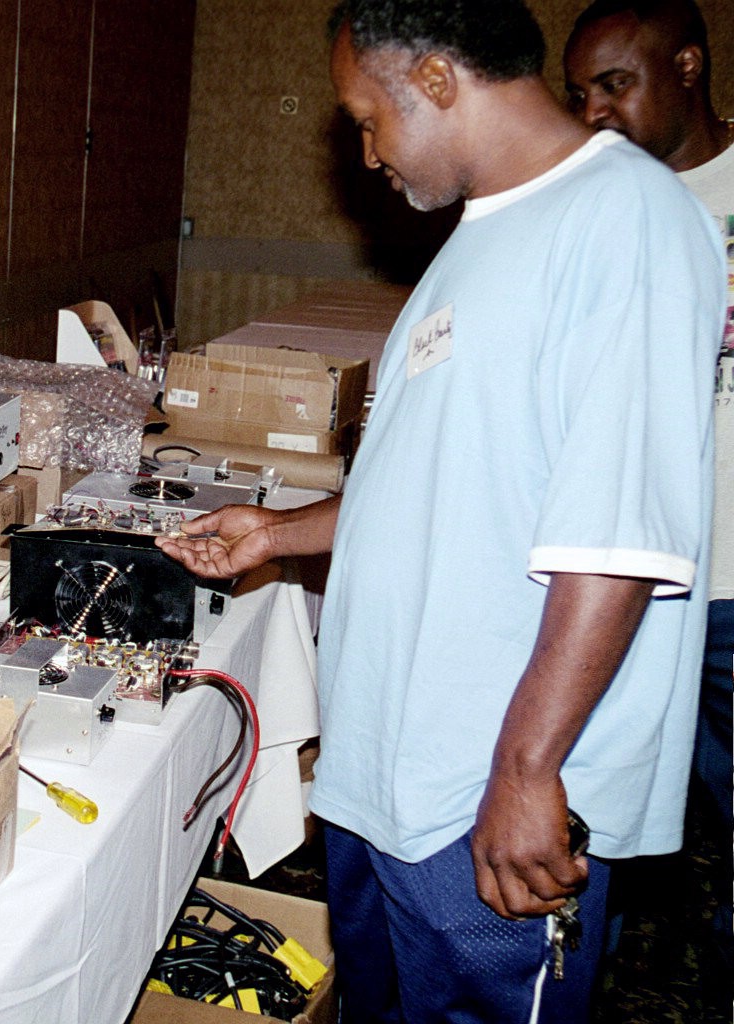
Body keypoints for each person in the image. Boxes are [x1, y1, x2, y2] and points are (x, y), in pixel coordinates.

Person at [158, 1, 724, 1019]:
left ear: (431, 80)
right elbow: (432, 482)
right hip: (390, 782)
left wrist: (526, 768)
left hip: (485, 803)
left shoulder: (626, 219)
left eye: (366, 117)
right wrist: (279, 533)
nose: (366, 152)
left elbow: (620, 539)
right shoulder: (475, 239)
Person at [564, 0, 734, 965]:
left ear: (688, 67)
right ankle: (587, 956)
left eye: (616, 86)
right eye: (580, 93)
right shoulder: (592, 199)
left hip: (733, 568)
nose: (594, 113)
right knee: (600, 793)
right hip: (623, 576)